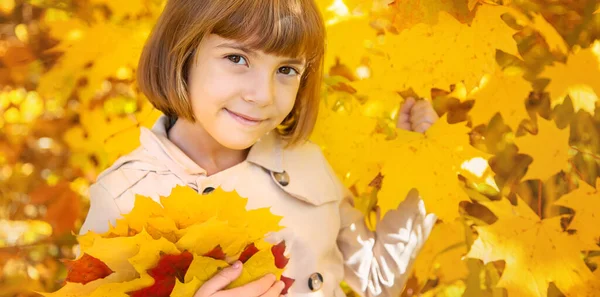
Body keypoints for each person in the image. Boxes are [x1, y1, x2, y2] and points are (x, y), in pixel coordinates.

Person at [79, 0, 439, 296]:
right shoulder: (126, 197)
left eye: (286, 70)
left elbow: (377, 278)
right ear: (182, 54)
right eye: (237, 59)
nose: (263, 94)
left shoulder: (304, 161)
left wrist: (420, 164)